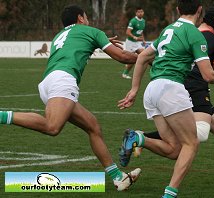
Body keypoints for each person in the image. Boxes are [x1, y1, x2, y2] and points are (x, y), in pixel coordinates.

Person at [123, 7, 214, 191]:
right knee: (196, 136)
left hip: (170, 87)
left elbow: (153, 57)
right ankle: (142, 139)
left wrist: (135, 86)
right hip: (194, 90)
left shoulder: (178, 31)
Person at [0, 5, 141, 191]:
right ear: (80, 18)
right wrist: (147, 56)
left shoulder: (59, 35)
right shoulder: (90, 31)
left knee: (93, 126)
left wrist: (99, 41)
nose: (88, 20)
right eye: (86, 16)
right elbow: (123, 56)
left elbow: (76, 47)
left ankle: (117, 177)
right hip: (63, 81)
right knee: (52, 127)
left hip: (49, 82)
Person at [118, 1, 214, 197]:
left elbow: (141, 58)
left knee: (175, 149)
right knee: (191, 143)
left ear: (177, 10)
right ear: (200, 11)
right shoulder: (194, 34)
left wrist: (134, 90)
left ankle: (138, 138)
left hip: (152, 90)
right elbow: (208, 75)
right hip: (171, 89)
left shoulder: (168, 30)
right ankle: (170, 193)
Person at [121, 7, 146, 79]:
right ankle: (125, 73)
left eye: (142, 11)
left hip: (137, 43)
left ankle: (140, 74)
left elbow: (141, 31)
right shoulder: (133, 21)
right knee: (131, 60)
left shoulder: (143, 21)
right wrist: (135, 37)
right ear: (136, 13)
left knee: (144, 54)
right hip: (130, 42)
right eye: (139, 12)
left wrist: (143, 40)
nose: (140, 13)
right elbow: (127, 32)